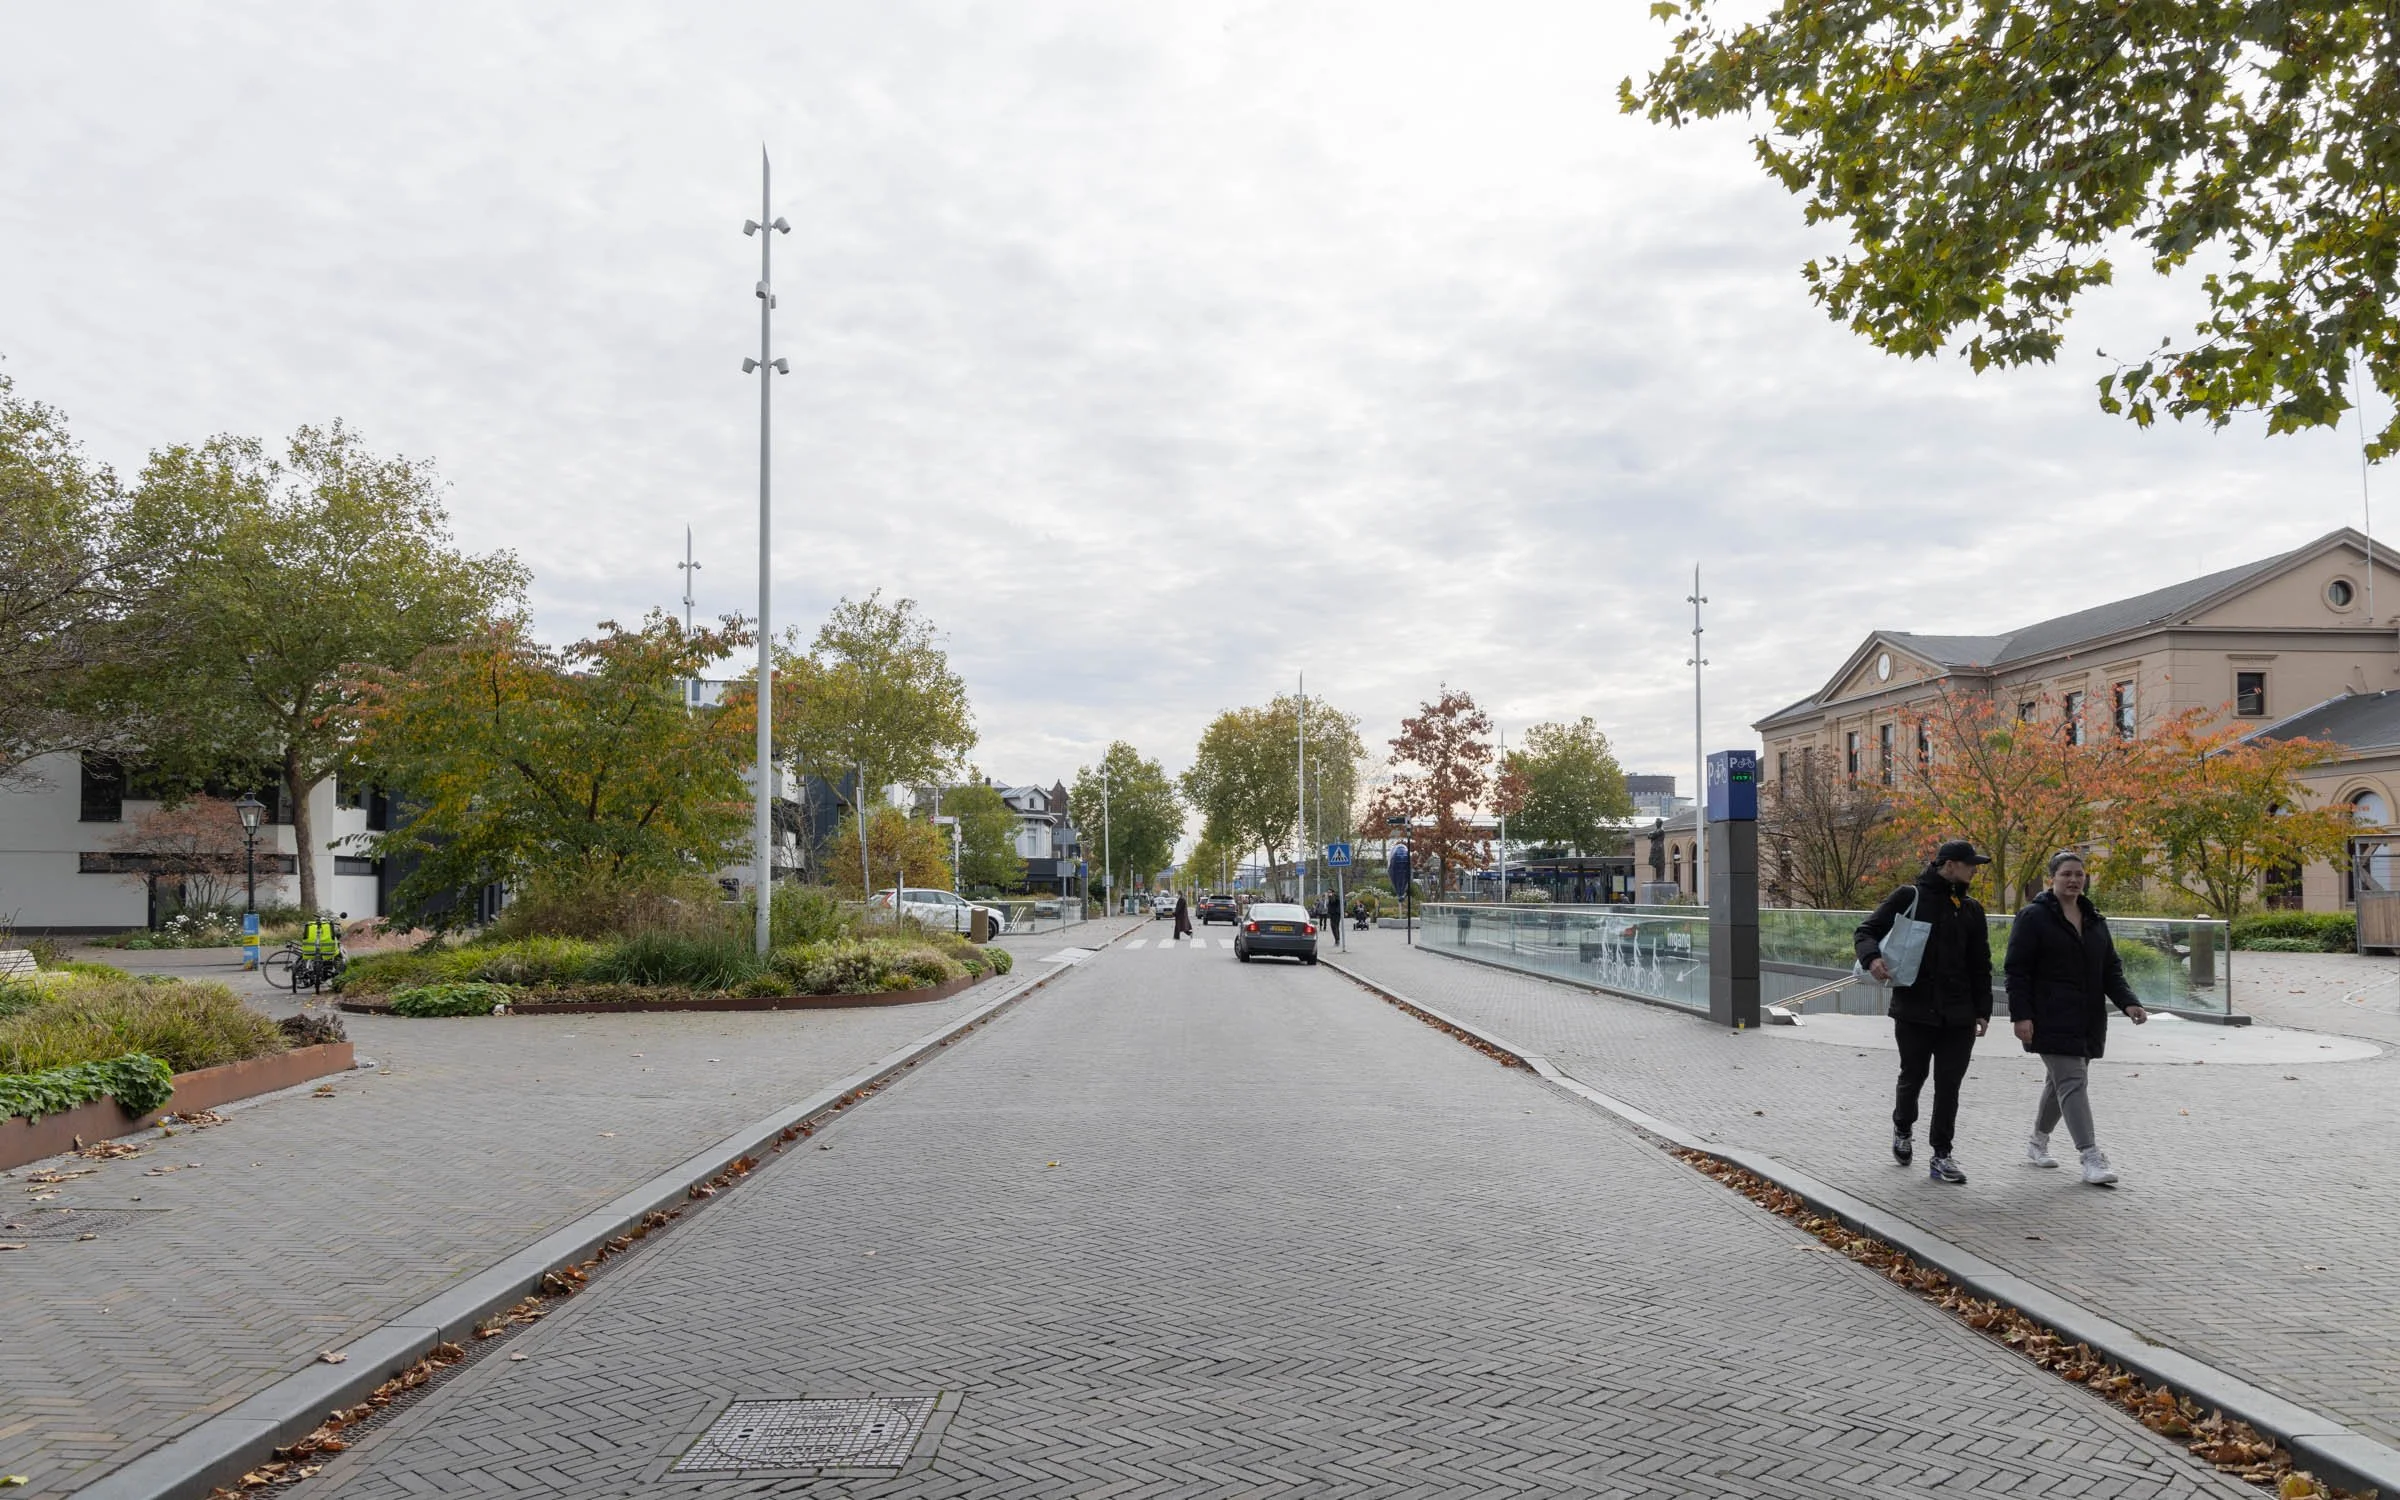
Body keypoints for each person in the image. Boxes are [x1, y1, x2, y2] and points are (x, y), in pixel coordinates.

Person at [2004, 850, 2149, 1186]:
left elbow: (2110, 968)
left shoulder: (2094, 920)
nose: (2073, 880)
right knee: (2073, 1081)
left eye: (2079, 875)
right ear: (2052, 878)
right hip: (2049, 1015)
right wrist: (2021, 1015)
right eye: (2066, 874)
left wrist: (2128, 1003)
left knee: (2060, 1084)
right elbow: (2017, 970)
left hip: (2087, 1017)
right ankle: (2090, 1156)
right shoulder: (2033, 917)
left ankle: (2037, 1142)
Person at [1854, 841, 1993, 1185]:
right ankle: (1903, 1126)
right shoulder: (1909, 896)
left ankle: (1942, 1155)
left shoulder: (1972, 909)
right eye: (1969, 864)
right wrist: (1872, 958)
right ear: (1948, 865)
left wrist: (1983, 1010)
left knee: (1949, 1086)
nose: (1975, 869)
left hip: (1959, 1014)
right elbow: (1866, 930)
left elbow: (1981, 965)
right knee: (1912, 1076)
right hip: (1915, 1009)